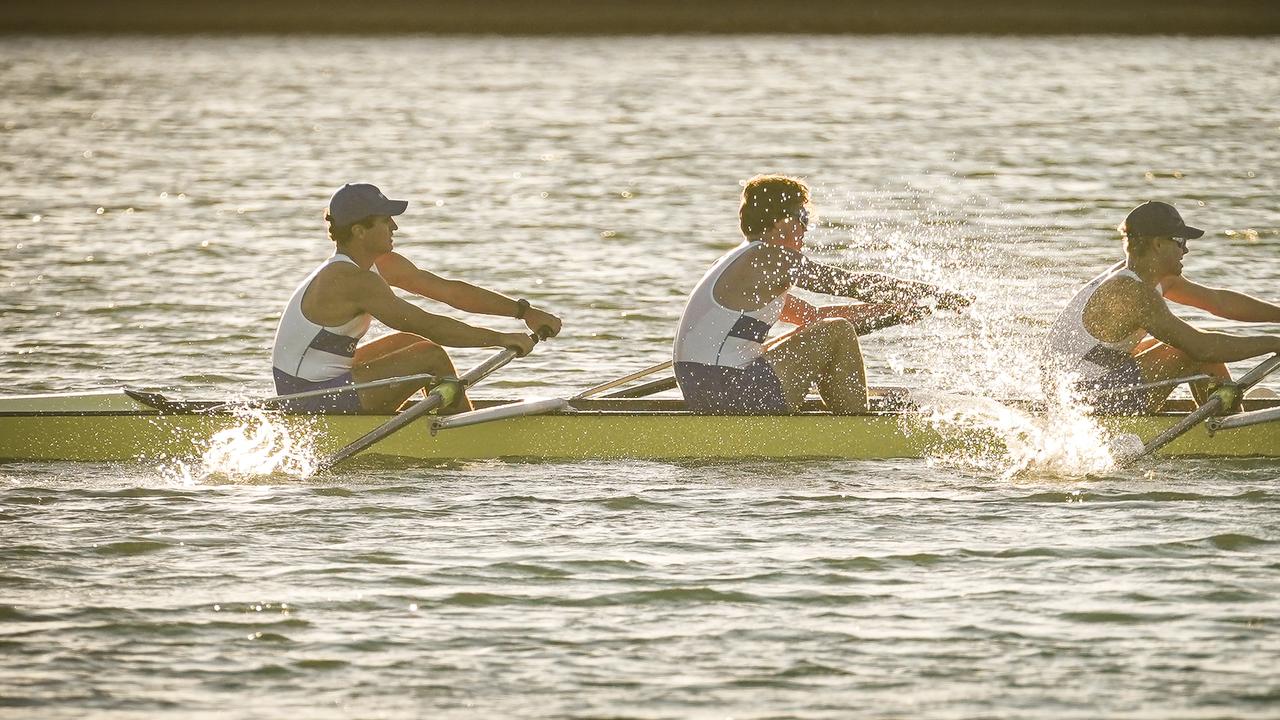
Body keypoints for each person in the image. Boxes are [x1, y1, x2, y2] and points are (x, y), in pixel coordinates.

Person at [672, 174, 972, 415]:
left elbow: (815, 319)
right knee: (838, 332)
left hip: (708, 389)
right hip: (734, 389)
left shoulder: (742, 263)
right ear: (781, 220)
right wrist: (931, 291)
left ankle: (855, 409)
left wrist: (902, 310)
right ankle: (858, 423)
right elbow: (853, 285)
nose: (806, 228)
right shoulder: (770, 258)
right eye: (803, 217)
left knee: (832, 330)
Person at [271, 182, 561, 413]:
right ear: (359, 231)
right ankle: (458, 434)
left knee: (410, 345)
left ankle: (447, 418)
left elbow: (450, 292)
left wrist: (524, 312)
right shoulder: (350, 280)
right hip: (308, 401)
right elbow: (427, 324)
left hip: (323, 384)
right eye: (386, 221)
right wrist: (500, 339)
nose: (395, 228)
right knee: (429, 355)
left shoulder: (379, 264)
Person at [1041, 200, 1280, 414]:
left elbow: (1219, 302)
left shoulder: (1150, 277)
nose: (1185, 250)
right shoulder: (1130, 292)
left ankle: (1226, 416)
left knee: (1180, 342)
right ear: (1157, 244)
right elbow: (1203, 348)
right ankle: (1230, 429)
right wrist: (1273, 343)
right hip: (1078, 401)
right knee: (1191, 350)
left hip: (1085, 385)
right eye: (1180, 241)